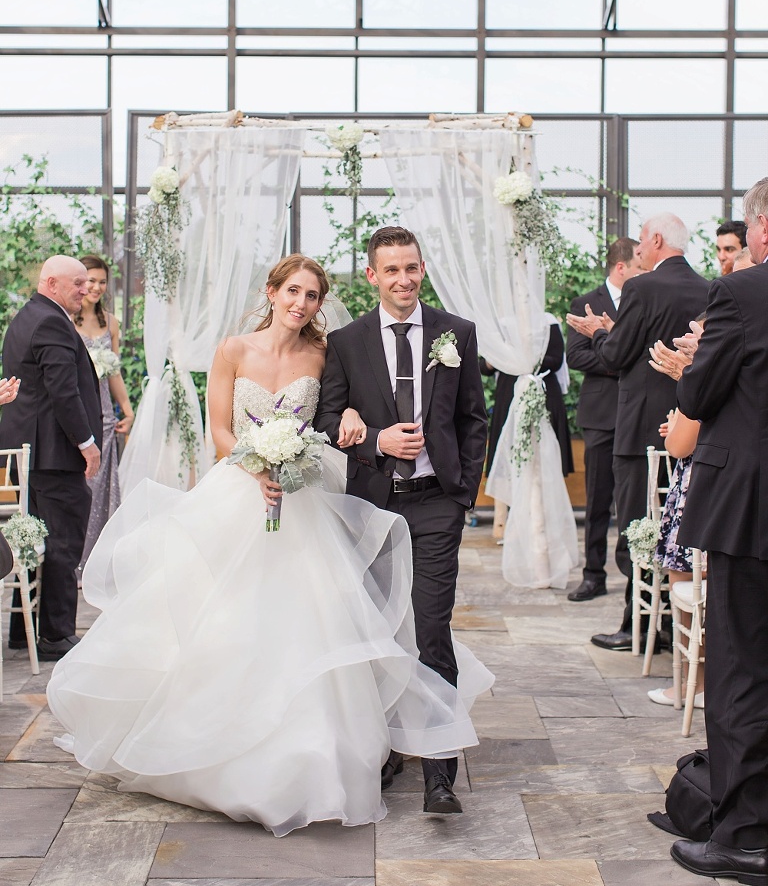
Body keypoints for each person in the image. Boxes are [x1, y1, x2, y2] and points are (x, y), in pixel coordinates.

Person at [47, 254, 492, 835]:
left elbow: (340, 404)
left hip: (305, 497)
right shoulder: (233, 350)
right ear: (272, 292)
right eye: (293, 292)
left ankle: (322, 752)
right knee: (225, 620)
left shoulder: (324, 353)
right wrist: (254, 464)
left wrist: (346, 414)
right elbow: (219, 431)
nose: (301, 304)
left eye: (312, 296)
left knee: (316, 621)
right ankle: (215, 744)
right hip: (238, 492)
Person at [315, 226, 489, 815]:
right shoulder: (346, 342)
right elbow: (325, 421)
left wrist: (463, 494)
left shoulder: (456, 332)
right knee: (380, 632)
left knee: (431, 630)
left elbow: (472, 418)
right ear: (372, 275)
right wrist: (375, 441)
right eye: (391, 269)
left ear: (423, 269)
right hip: (373, 506)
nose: (403, 279)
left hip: (437, 504)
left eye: (411, 267)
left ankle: (440, 771)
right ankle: (387, 748)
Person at [669, 178, 768, 883]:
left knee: (741, 674)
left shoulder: (740, 294)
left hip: (752, 513)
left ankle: (746, 836)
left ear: (764, 226)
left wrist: (696, 360)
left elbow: (699, 394)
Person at [565, 214, 708, 651]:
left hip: (639, 426)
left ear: (657, 240)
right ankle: (671, 623)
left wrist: (600, 332)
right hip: (688, 423)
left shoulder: (641, 288)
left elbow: (616, 354)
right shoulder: (707, 288)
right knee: (677, 523)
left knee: (638, 525)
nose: (639, 249)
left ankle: (637, 624)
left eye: (642, 241)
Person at [0, 257, 102, 659]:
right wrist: (86, 442)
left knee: (31, 539)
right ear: (52, 282)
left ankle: (22, 631)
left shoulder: (28, 316)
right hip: (53, 454)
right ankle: (56, 635)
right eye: (78, 283)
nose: (85, 290)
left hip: (31, 454)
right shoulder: (51, 322)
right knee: (62, 540)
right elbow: (63, 390)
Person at [565, 237, 642, 602]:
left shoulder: (644, 299)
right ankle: (593, 575)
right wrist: (619, 361)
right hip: (600, 416)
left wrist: (618, 353)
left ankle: (634, 576)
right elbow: (577, 356)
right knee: (597, 500)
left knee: (633, 501)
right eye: (639, 266)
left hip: (636, 414)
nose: (644, 272)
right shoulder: (586, 302)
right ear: (621, 267)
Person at [72, 255, 134, 572]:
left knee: (103, 490)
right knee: (82, 486)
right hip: (78, 410)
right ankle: (74, 561)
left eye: (102, 282)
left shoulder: (111, 322)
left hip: (105, 414)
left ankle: (96, 564)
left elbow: (114, 371)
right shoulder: (66, 320)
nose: (96, 287)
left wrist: (128, 409)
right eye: (91, 280)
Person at [646, 406, 704, 709]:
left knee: (685, 586)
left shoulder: (701, 385)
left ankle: (694, 684)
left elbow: (679, 446)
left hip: (699, 494)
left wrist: (676, 428)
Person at [484, 316, 573, 480]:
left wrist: (522, 357)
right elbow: (484, 366)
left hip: (543, 393)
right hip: (508, 394)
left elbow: (556, 361)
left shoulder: (548, 322)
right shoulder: (501, 325)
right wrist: (496, 357)